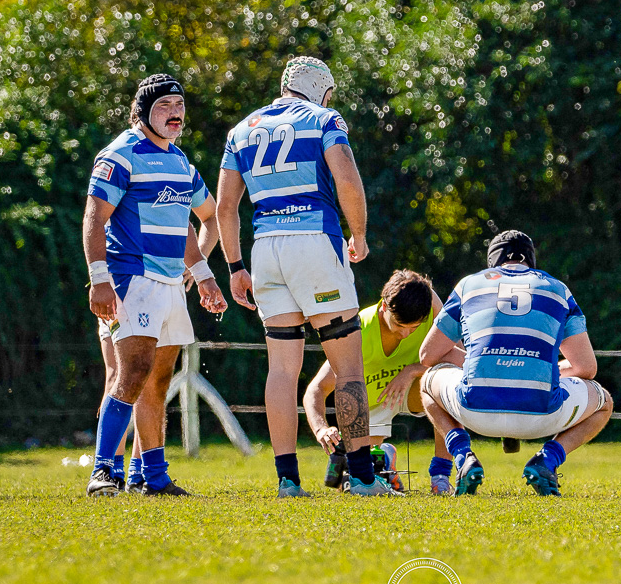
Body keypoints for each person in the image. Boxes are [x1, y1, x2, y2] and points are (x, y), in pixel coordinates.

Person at [214, 57, 392, 496]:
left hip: (265, 248)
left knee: (281, 370)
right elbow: (346, 178)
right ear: (320, 89)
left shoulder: (240, 130)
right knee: (348, 367)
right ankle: (363, 479)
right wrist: (359, 233)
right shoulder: (324, 118)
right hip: (315, 241)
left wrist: (235, 266)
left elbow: (225, 207)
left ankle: (288, 481)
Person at [82, 74, 227, 497]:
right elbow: (94, 218)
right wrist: (99, 279)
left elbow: (197, 220)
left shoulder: (180, 161)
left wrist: (201, 274)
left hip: (170, 285)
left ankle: (150, 477)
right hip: (131, 279)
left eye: (179, 105)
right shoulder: (120, 153)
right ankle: (103, 471)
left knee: (158, 381)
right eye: (164, 105)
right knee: (132, 373)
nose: (175, 113)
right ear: (143, 111)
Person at [418, 230, 613, 497]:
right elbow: (586, 368)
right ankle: (547, 460)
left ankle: (463, 456)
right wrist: (537, 366)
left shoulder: (469, 285)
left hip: (475, 412)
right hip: (542, 416)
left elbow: (427, 355)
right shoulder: (558, 289)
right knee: (604, 402)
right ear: (531, 261)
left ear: (492, 262)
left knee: (428, 381)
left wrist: (481, 361)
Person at [304, 270, 449, 494]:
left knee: (445, 382)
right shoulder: (359, 329)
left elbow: (457, 360)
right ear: (384, 307)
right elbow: (317, 388)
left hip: (415, 390)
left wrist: (411, 371)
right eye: (399, 325)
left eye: (414, 328)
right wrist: (321, 428)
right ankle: (384, 458)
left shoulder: (430, 307)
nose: (406, 334)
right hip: (370, 403)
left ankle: (441, 476)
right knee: (347, 482)